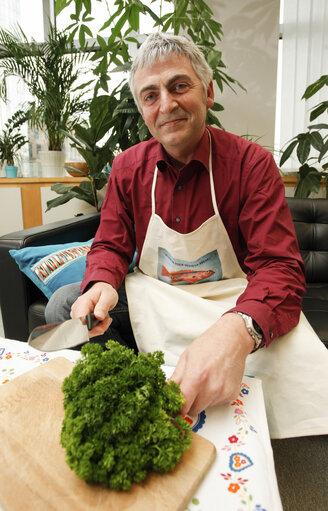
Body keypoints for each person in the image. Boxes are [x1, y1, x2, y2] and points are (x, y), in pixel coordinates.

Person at [46, 33, 328, 437]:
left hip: (232, 299)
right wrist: (103, 282)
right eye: (150, 95)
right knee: (65, 304)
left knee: (297, 352)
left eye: (179, 86)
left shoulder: (251, 165)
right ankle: (138, 404)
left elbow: (280, 267)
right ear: (142, 108)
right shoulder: (127, 168)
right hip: (156, 298)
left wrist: (237, 331)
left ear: (208, 92)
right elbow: (110, 243)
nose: (167, 104)